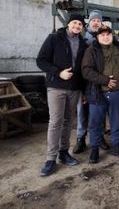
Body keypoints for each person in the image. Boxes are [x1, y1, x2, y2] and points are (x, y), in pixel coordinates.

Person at [36, 12, 87, 176]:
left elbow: (82, 70)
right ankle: (50, 158)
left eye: (80, 24)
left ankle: (64, 153)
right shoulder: (54, 38)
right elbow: (41, 60)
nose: (77, 26)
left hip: (74, 89)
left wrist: (83, 90)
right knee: (55, 121)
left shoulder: (83, 44)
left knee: (68, 121)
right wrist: (58, 73)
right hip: (56, 87)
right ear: (68, 24)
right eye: (74, 23)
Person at [81, 24, 119, 163]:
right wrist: (105, 80)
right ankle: (95, 149)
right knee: (95, 123)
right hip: (97, 93)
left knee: (116, 122)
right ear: (97, 37)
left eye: (108, 34)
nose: (106, 37)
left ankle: (117, 147)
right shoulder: (92, 50)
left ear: (112, 35)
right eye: (102, 35)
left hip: (117, 93)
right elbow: (86, 70)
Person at [74, 10, 105, 154]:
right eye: (93, 20)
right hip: (83, 81)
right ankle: (81, 139)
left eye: (98, 20)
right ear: (89, 23)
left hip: (100, 82)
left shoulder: (104, 38)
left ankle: (100, 138)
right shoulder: (81, 40)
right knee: (82, 112)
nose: (96, 22)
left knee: (100, 111)